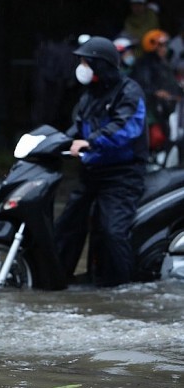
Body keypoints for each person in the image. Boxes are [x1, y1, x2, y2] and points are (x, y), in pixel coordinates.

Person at [54, 36, 148, 287]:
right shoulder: (90, 94)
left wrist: (91, 141)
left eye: (87, 61)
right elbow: (78, 125)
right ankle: (55, 280)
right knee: (67, 224)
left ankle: (120, 287)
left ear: (102, 64)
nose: (82, 66)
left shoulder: (129, 91)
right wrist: (56, 141)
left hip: (122, 175)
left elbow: (126, 127)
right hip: (92, 171)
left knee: (111, 231)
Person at [130, 29, 181, 149]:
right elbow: (142, 85)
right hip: (153, 109)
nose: (164, 49)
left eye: (165, 45)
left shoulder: (164, 62)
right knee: (158, 138)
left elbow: (170, 83)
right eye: (161, 46)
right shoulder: (144, 65)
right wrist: (156, 92)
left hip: (170, 106)